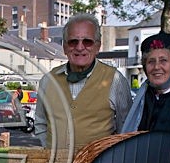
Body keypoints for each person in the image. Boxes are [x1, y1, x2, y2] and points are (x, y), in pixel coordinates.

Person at [34, 13, 133, 149]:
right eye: (73, 41)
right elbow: (40, 123)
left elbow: (126, 127)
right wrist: (50, 152)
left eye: (87, 41)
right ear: (64, 47)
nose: (80, 47)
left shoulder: (114, 80)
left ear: (97, 46)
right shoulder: (48, 81)